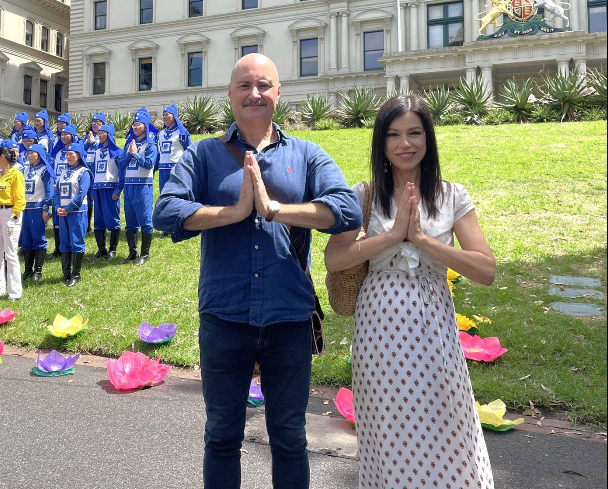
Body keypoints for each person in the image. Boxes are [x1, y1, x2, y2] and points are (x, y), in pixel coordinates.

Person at [153, 53, 361, 488]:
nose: (255, 93)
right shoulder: (205, 154)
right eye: (245, 86)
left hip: (289, 317)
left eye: (264, 85)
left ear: (278, 93)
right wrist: (233, 213)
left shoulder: (306, 154)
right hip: (225, 317)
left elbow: (346, 209)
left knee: (288, 436)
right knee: (222, 435)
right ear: (230, 95)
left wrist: (276, 209)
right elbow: (166, 210)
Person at [323, 95, 496, 489]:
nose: (405, 144)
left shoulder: (452, 195)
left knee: (447, 420)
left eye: (414, 133)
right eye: (394, 134)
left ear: (427, 138)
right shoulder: (363, 193)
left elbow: (485, 270)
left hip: (434, 324)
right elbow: (335, 259)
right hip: (379, 329)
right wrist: (392, 236)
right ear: (382, 143)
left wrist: (420, 238)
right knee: (389, 426)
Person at [0, 144, 26, 300]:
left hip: (10, 213)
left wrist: (14, 217)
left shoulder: (16, 175)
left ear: (2, 157)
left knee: (10, 253)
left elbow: (20, 199)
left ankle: (15, 292)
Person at [118, 109, 158, 265]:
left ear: (145, 126)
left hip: (143, 186)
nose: (135, 127)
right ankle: (132, 252)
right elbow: (121, 164)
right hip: (128, 187)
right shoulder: (129, 143)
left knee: (145, 220)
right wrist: (129, 153)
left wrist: (135, 154)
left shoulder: (151, 144)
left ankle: (145, 254)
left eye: (138, 124)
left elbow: (149, 164)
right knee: (130, 221)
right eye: (134, 124)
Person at [54, 143, 92, 286]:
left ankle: (76, 275)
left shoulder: (84, 172)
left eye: (72, 154)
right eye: (67, 154)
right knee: (64, 243)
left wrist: (68, 208)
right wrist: (58, 206)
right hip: (63, 212)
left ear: (79, 156)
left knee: (76, 242)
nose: (69, 157)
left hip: (77, 212)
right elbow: (57, 192)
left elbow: (81, 194)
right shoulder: (64, 172)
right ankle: (66, 273)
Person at [157, 105, 191, 237]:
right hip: (163, 169)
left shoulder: (182, 133)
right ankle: (167, 227)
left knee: (176, 197)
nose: (165, 117)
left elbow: (188, 150)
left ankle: (180, 225)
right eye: (163, 114)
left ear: (174, 116)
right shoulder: (161, 134)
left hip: (176, 168)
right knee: (164, 196)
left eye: (168, 114)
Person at [47, 124, 81, 258]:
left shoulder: (76, 151)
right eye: (62, 134)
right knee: (57, 217)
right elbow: (54, 169)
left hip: (71, 187)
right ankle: (58, 248)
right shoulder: (59, 152)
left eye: (66, 134)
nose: (63, 137)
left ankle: (73, 248)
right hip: (58, 187)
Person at [20, 144, 54, 282]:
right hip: (25, 209)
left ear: (39, 155)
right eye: (28, 154)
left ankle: (38, 271)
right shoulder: (25, 170)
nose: (29, 156)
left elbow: (49, 191)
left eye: (32, 154)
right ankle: (27, 270)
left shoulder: (45, 171)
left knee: (38, 239)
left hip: (37, 209)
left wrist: (46, 209)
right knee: (26, 240)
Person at [91, 123, 123, 260]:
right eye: (99, 133)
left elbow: (122, 173)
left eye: (103, 133)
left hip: (110, 189)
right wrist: (92, 189)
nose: (100, 135)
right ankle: (101, 248)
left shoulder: (118, 152)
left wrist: (118, 189)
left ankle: (113, 249)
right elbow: (92, 172)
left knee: (112, 219)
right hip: (98, 189)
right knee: (98, 219)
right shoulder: (96, 152)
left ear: (109, 135)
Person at [84, 112, 106, 233]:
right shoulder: (87, 137)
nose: (95, 124)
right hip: (87, 168)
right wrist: (88, 142)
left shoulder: (104, 137)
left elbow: (104, 150)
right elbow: (80, 150)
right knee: (86, 195)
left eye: (98, 122)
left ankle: (100, 223)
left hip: (98, 170)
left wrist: (94, 142)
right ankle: (87, 224)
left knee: (94, 195)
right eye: (93, 122)